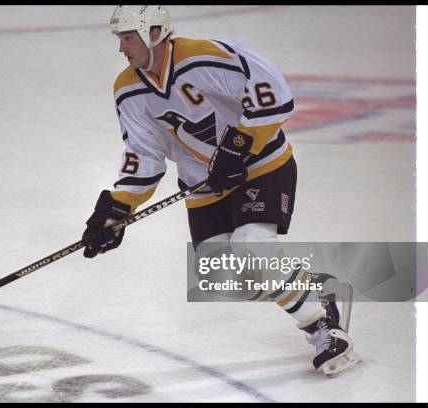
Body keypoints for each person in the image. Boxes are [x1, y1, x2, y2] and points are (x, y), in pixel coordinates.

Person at [81, 5, 360, 376]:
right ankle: (315, 291)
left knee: (252, 245)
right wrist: (119, 207)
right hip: (205, 184)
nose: (122, 48)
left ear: (152, 33)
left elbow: (272, 91)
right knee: (221, 273)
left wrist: (240, 143)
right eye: (120, 39)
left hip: (262, 165)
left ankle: (323, 326)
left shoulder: (202, 57)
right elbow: (145, 153)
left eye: (127, 37)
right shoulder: (128, 88)